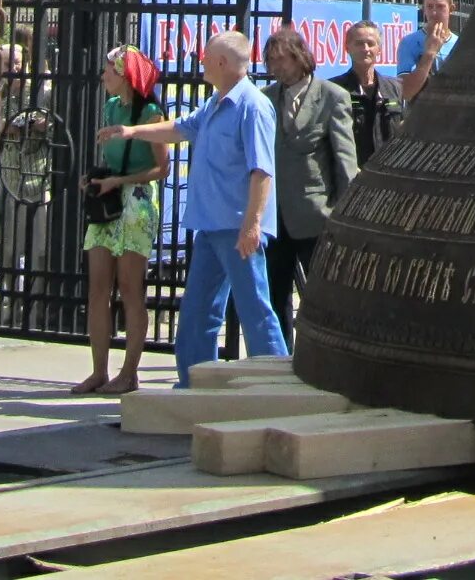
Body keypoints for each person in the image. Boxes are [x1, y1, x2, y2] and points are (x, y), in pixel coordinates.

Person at [99, 30, 284, 384]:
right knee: (198, 313)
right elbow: (180, 128)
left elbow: (262, 170)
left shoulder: (253, 106)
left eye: (206, 56)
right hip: (210, 226)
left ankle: (275, 386)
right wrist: (131, 131)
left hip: (238, 227)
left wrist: (252, 223)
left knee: (255, 310)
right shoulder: (215, 103)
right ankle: (194, 384)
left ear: (223, 63)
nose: (200, 60)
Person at [73, 46, 165, 396]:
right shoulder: (111, 107)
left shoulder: (151, 113)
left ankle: (129, 373)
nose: (103, 77)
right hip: (107, 204)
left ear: (125, 74)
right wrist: (97, 179)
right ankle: (99, 371)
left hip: (136, 204)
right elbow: (110, 157)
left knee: (129, 289)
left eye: (108, 71)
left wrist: (120, 182)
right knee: (98, 288)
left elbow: (162, 168)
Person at [261, 27, 356, 343]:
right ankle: (280, 356)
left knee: (320, 293)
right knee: (275, 293)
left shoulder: (331, 97)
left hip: (316, 214)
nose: (276, 68)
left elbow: (345, 161)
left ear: (299, 57)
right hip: (274, 216)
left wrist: (343, 212)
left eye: (282, 60)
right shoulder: (265, 99)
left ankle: (324, 351)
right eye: (271, 62)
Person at [330, 22, 402, 165]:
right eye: (359, 44)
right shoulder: (333, 89)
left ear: (379, 49)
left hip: (387, 175)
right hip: (351, 178)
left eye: (370, 43)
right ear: (347, 48)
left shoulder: (395, 88)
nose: (365, 49)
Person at [398, 0, 457, 102]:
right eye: (430, 7)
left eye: (440, 7)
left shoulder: (458, 43)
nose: (434, 13)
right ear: (424, 9)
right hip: (421, 115)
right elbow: (406, 92)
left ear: (451, 9)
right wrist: (429, 54)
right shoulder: (409, 42)